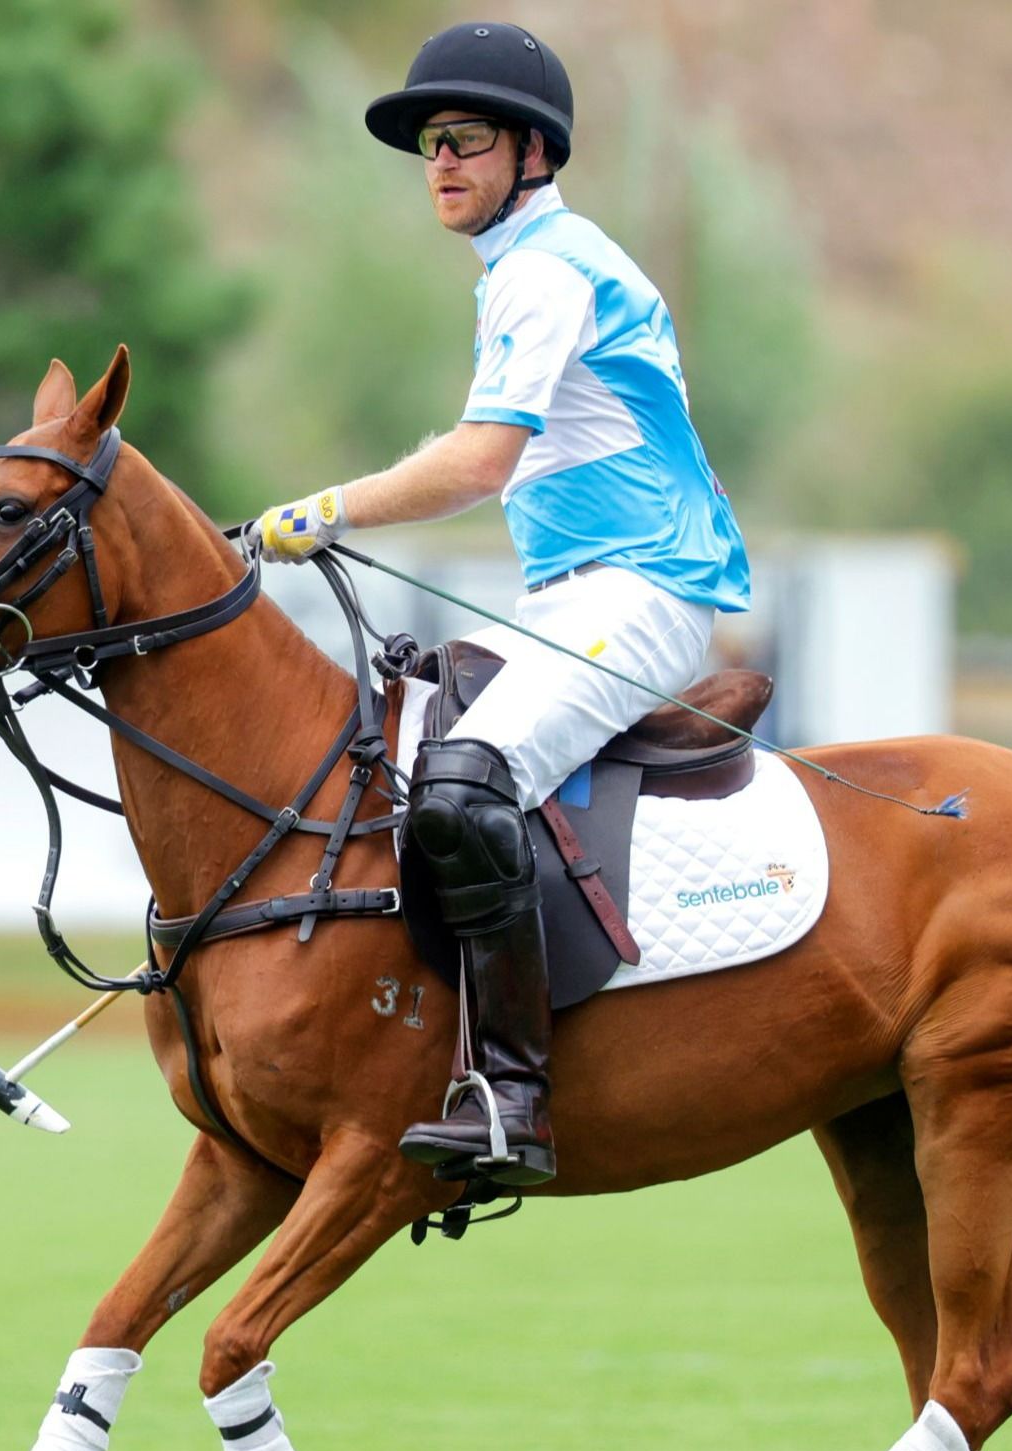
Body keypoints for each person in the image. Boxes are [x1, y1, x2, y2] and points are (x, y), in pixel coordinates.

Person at [252, 21, 750, 1187]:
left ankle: (512, 1095)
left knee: (467, 777)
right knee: (401, 755)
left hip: (647, 587)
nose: (439, 164)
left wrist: (323, 508)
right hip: (576, 594)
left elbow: (478, 462)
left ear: (531, 150)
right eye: (428, 145)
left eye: (463, 141)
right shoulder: (520, 268)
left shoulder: (543, 268)